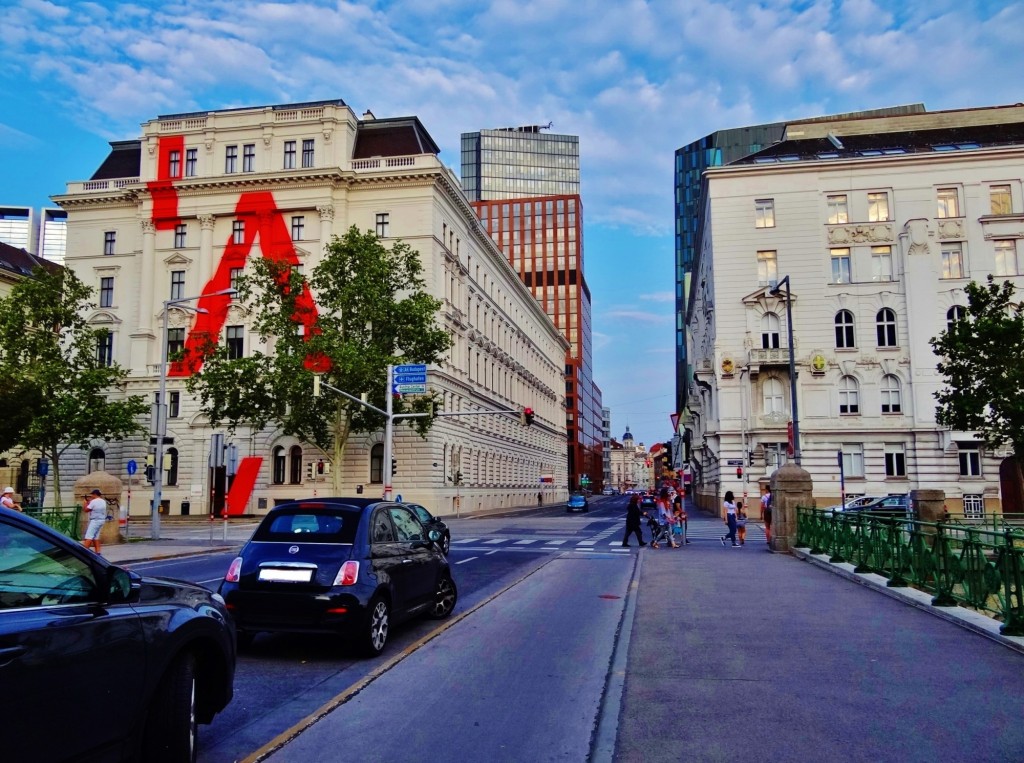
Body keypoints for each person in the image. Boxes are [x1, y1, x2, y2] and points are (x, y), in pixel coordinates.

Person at [82, 489, 108, 555]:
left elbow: (86, 510)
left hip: (95, 520)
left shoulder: (93, 501)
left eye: (92, 494)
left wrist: (85, 504)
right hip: (101, 520)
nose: (91, 496)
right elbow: (96, 508)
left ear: (95, 494)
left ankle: (83, 552)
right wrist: (89, 503)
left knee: (88, 536)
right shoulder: (103, 501)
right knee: (96, 537)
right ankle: (98, 552)